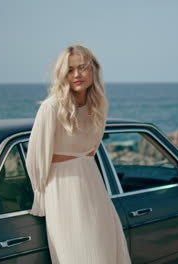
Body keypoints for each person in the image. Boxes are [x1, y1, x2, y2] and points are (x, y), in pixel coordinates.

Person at [25, 45, 131, 263]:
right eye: (70, 70)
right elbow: (35, 159)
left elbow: (90, 151)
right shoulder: (51, 107)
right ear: (62, 74)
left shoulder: (98, 106)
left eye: (82, 67)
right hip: (63, 192)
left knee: (106, 253)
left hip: (94, 189)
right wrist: (40, 199)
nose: (77, 75)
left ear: (94, 70)